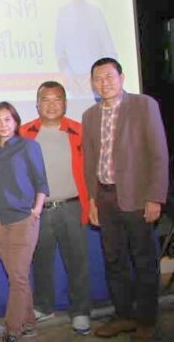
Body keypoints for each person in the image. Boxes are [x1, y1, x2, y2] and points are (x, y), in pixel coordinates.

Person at [83, 58, 169, 341]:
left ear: (122, 77)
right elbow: (90, 162)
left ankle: (146, 321)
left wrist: (155, 197)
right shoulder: (90, 115)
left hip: (138, 197)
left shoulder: (144, 105)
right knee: (114, 260)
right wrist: (93, 200)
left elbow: (158, 154)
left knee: (144, 261)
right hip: (105, 198)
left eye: (109, 76)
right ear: (92, 83)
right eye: (98, 78)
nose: (104, 83)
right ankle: (124, 316)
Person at [20, 81, 91, 335]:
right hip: (38, 211)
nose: (51, 105)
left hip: (72, 207)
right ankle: (43, 305)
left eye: (57, 99)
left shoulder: (79, 131)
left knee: (78, 262)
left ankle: (81, 311)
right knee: (40, 262)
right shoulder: (24, 132)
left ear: (65, 103)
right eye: (45, 100)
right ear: (37, 104)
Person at [0, 102, 49, 342]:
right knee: (17, 277)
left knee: (18, 277)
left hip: (23, 219)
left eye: (7, 119)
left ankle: (13, 329)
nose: (3, 124)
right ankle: (29, 323)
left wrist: (36, 210)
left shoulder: (29, 146)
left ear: (16, 122)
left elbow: (41, 182)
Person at [55, 0, 117, 97]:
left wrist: (94, 77)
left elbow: (110, 52)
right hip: (74, 90)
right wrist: (70, 77)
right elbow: (60, 54)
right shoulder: (62, 15)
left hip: (98, 90)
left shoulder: (95, 13)